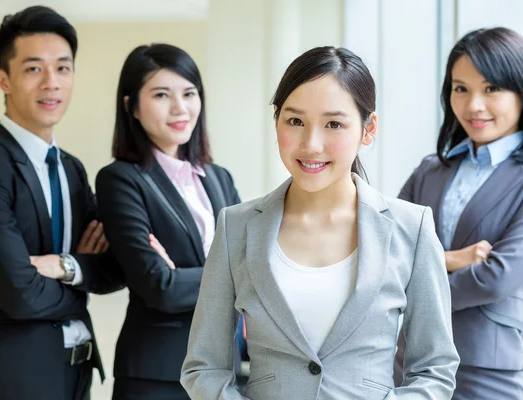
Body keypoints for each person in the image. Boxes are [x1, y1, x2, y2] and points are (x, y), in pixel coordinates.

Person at [181, 46, 460, 399]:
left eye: (334, 124)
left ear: (368, 128)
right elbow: (204, 366)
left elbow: (434, 369)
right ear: (277, 121)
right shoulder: (235, 227)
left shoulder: (411, 227)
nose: (311, 144)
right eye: (295, 121)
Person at [0, 6, 123, 400]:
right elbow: (20, 297)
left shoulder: (72, 170)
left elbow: (115, 267)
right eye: (33, 69)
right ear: (3, 79)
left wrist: (60, 266)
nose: (51, 83)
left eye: (63, 68)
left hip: (75, 372)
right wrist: (79, 276)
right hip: (12, 380)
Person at [94, 43, 241, 400]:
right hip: (157, 376)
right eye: (162, 94)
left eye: (189, 93)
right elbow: (159, 287)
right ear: (132, 106)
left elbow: (255, 263)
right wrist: (234, 274)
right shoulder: (121, 180)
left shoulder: (218, 177)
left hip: (224, 371)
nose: (180, 108)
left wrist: (188, 275)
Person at [394, 27, 523, 399]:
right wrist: (454, 259)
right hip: (411, 359)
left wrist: (418, 286)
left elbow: (498, 277)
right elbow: (386, 251)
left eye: (491, 88)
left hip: (485, 364)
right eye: (460, 88)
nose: (473, 106)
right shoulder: (430, 169)